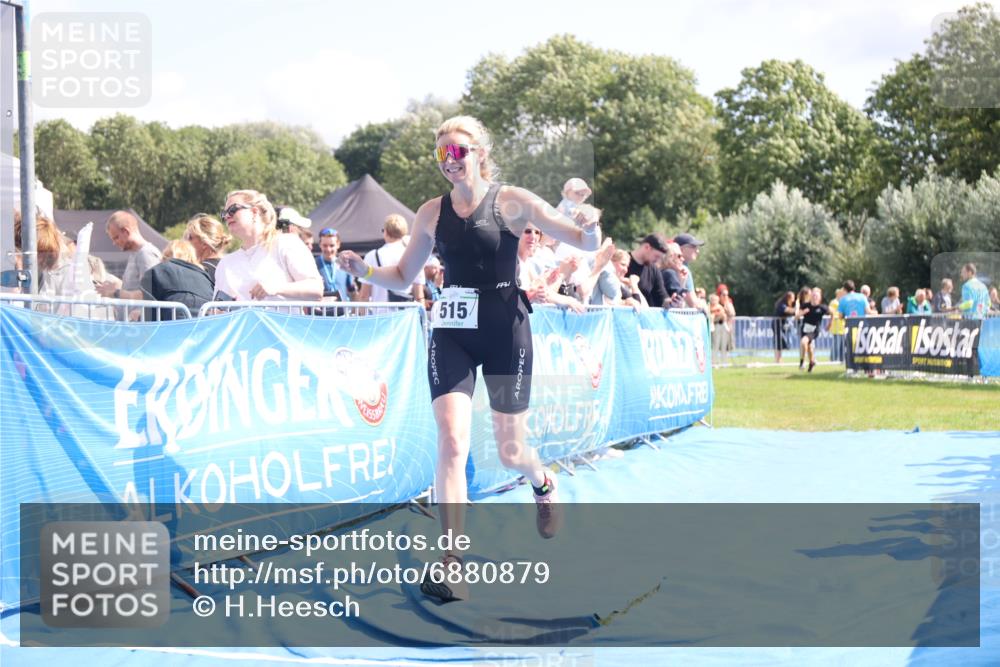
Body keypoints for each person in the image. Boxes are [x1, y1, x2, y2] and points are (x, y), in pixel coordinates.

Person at [336, 115, 604, 602]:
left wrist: (590, 224)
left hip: (505, 330)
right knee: (452, 440)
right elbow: (401, 276)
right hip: (453, 332)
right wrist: (364, 271)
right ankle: (451, 560)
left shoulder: (514, 201)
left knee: (509, 450)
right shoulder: (429, 213)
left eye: (458, 151)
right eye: (441, 154)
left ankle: (542, 482)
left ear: (480, 152)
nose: (449, 161)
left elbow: (581, 241)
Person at [213, 190, 323, 302]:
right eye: (224, 213)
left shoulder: (286, 243)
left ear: (254, 212)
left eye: (232, 210)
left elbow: (316, 288)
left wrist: (276, 288)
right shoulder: (225, 264)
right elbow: (216, 310)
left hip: (281, 320)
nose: (226, 216)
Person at [96, 210, 162, 301]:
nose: (114, 243)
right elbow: (135, 289)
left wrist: (115, 292)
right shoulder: (136, 254)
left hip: (139, 315)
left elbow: (149, 294)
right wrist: (118, 285)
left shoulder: (146, 254)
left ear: (126, 231)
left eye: (116, 237)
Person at [140, 240, 214, 320]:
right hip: (207, 328)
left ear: (167, 254)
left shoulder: (156, 272)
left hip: (173, 328)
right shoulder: (206, 277)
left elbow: (149, 318)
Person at [359, 214, 425, 306]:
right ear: (404, 233)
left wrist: (363, 318)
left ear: (385, 232)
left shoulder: (372, 256)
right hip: (405, 315)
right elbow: (419, 295)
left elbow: (364, 295)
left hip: (380, 315)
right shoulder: (414, 256)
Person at [184, 213, 231, 283]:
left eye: (190, 237)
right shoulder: (229, 266)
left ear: (204, 243)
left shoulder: (200, 271)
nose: (186, 241)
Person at [627, 233, 669, 308]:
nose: (657, 260)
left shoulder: (654, 270)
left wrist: (671, 302)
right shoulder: (623, 262)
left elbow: (661, 296)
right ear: (647, 247)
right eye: (656, 256)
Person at [315, 228, 354, 302]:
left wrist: (354, 311)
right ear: (320, 245)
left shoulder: (345, 264)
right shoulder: (313, 265)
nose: (328, 249)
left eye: (332, 245)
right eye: (325, 245)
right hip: (321, 311)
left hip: (342, 311)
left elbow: (352, 291)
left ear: (338, 245)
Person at [798, 287, 829, 373]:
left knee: (804, 342)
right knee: (809, 348)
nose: (815, 297)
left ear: (819, 298)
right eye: (813, 295)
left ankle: (802, 362)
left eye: (817, 296)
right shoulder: (805, 305)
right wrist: (802, 313)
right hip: (804, 329)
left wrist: (829, 325)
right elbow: (797, 316)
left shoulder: (822, 308)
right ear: (811, 296)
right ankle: (811, 363)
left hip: (814, 330)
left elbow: (833, 313)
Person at [773, 291, 795, 363]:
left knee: (781, 342)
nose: (793, 300)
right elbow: (787, 310)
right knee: (778, 342)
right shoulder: (782, 305)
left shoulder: (787, 304)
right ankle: (777, 359)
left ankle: (779, 358)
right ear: (788, 298)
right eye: (792, 298)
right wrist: (797, 310)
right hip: (777, 325)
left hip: (782, 325)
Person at [828, 287, 846, 363]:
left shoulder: (843, 302)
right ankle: (833, 359)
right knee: (836, 345)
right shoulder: (834, 302)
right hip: (836, 328)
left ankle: (842, 360)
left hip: (843, 327)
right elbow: (831, 311)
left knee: (842, 346)